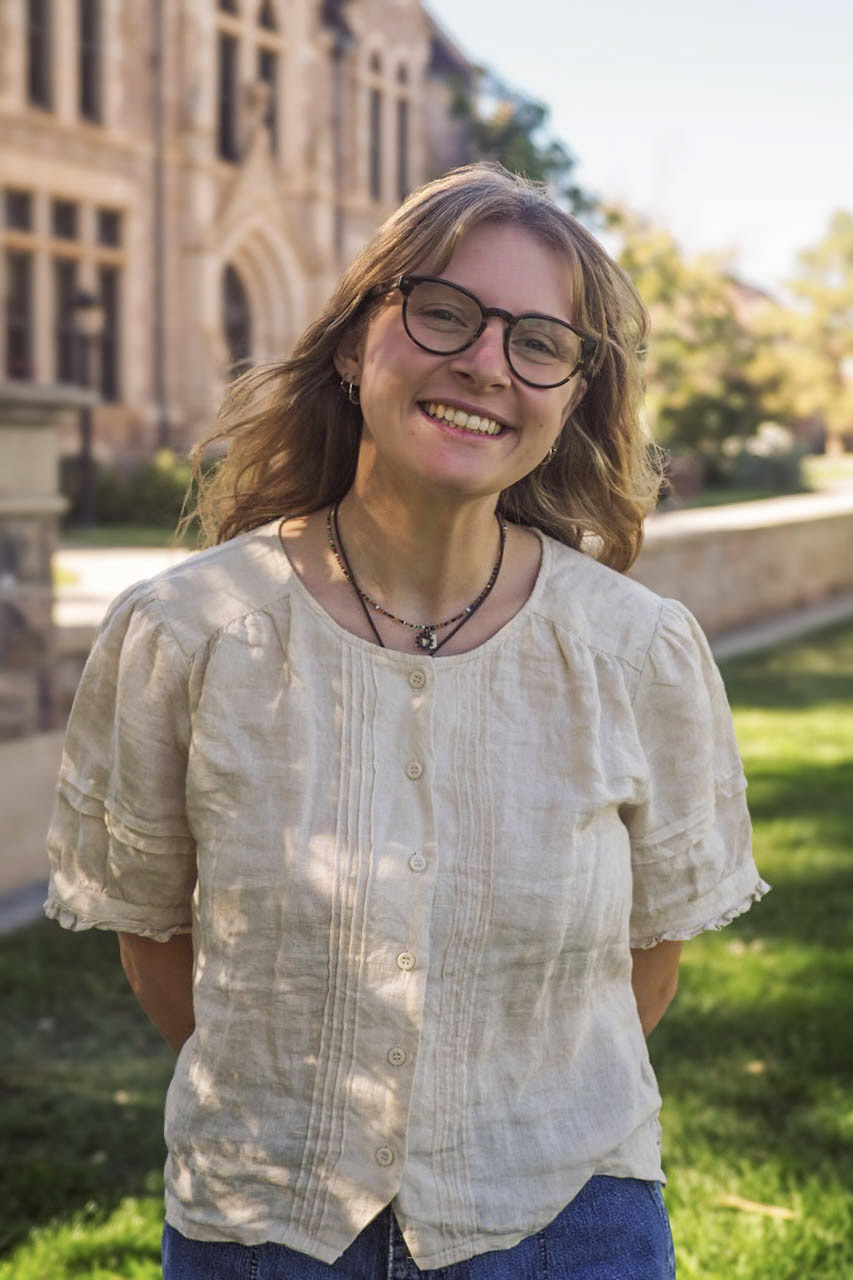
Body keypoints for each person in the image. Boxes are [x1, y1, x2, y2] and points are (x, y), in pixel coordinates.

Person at [45, 163, 768, 1279]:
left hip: (566, 1226)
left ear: (572, 395)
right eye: (443, 312)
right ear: (353, 341)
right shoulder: (186, 633)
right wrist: (309, 1118)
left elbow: (650, 960)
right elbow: (153, 935)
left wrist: (493, 1122)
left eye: (539, 341)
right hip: (265, 1230)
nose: (486, 362)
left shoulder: (636, 651)